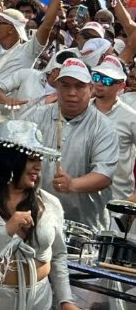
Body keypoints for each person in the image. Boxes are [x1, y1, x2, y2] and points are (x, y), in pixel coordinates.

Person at [0, 120, 78, 310]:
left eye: (39, 159)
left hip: (38, 303)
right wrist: (6, 231)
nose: (38, 166)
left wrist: (66, 300)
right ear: (7, 161)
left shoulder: (50, 204)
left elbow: (58, 255)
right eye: (31, 159)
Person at [23, 58, 117, 232]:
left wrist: (72, 184)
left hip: (81, 226)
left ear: (91, 90)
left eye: (79, 86)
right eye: (65, 85)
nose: (71, 92)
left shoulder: (104, 127)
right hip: (34, 217)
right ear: (57, 88)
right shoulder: (35, 117)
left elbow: (104, 175)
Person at [89, 55, 136, 204]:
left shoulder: (131, 117)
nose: (100, 83)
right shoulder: (81, 110)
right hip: (80, 199)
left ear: (121, 86)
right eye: (97, 77)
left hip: (117, 201)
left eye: (107, 80)